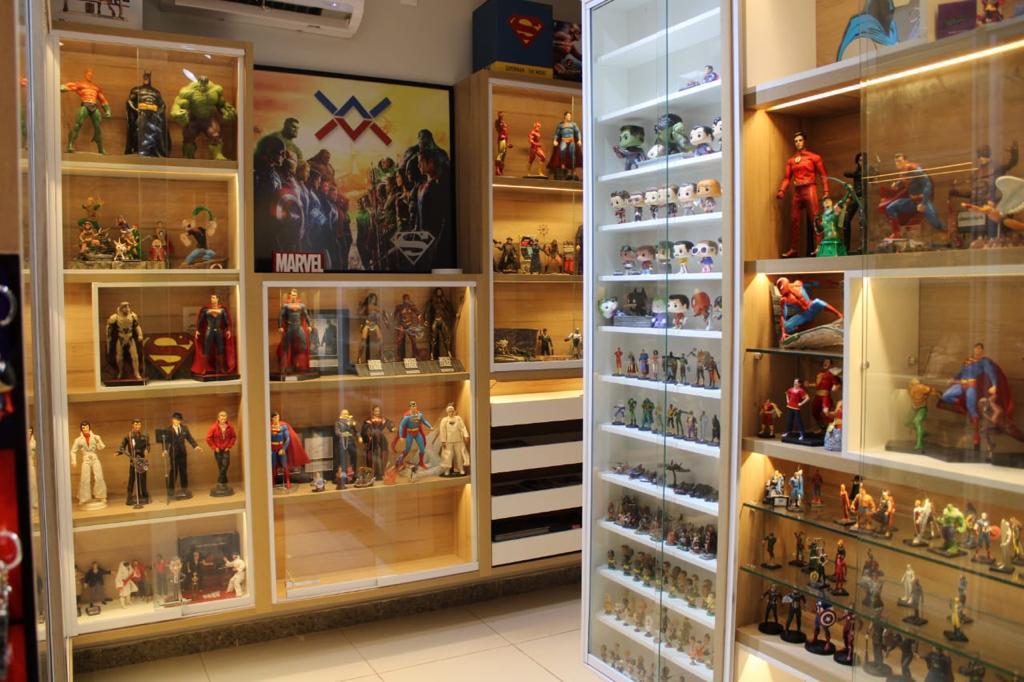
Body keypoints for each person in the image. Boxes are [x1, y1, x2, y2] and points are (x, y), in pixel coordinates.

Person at [776, 131, 827, 257]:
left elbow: (823, 175)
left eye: (800, 140)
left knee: (815, 218)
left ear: (804, 141)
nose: (798, 143)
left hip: (810, 188)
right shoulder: (791, 160)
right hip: (798, 190)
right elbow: (787, 178)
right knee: (794, 220)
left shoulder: (814, 157)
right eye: (796, 141)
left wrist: (826, 191)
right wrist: (782, 190)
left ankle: (820, 246)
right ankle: (793, 249)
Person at [162, 412, 200, 499]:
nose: (177, 421)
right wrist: (165, 450)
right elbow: (166, 442)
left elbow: (190, 438)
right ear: (172, 420)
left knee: (183, 472)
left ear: (181, 420)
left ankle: (184, 489)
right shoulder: (168, 429)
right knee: (173, 472)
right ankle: (171, 490)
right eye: (175, 419)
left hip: (182, 453)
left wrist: (195, 446)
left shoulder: (184, 428)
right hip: (173, 453)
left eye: (179, 420)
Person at [71, 420, 107, 507]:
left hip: (95, 458)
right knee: (85, 479)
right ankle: (84, 498)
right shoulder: (78, 440)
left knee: (99, 477)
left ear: (89, 427)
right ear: (81, 429)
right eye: (83, 427)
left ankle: (101, 496)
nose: (85, 429)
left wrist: (99, 440)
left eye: (86, 427)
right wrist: (74, 461)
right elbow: (73, 451)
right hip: (86, 459)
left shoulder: (95, 437)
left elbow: (101, 447)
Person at [117, 418, 150, 505]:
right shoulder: (128, 435)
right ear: (132, 425)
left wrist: (147, 449)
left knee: (143, 478)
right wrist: (118, 451)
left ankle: (144, 494)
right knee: (132, 478)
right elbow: (122, 445)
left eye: (139, 424)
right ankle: (129, 495)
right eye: (135, 424)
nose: (137, 426)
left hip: (142, 459)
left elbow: (148, 445)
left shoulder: (144, 435)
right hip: (133, 459)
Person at [205, 411, 237, 496]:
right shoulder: (214, 427)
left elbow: (233, 437)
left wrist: (229, 446)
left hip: (226, 449)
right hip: (218, 450)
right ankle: (224, 483)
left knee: (225, 464)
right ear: (218, 418)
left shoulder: (230, 427)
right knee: (220, 466)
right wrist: (214, 447)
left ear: (226, 418)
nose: (223, 418)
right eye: (221, 416)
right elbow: (208, 438)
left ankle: (219, 481)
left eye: (224, 416)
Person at [436, 403, 470, 477]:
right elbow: (442, 431)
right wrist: (443, 441)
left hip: (458, 440)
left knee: (459, 455)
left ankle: (461, 469)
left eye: (452, 411)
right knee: (447, 456)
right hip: (448, 441)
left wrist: (466, 435)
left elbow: (463, 427)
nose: (451, 413)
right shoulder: (444, 420)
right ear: (447, 412)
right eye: (449, 411)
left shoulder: (458, 418)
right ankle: (447, 470)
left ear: (454, 411)